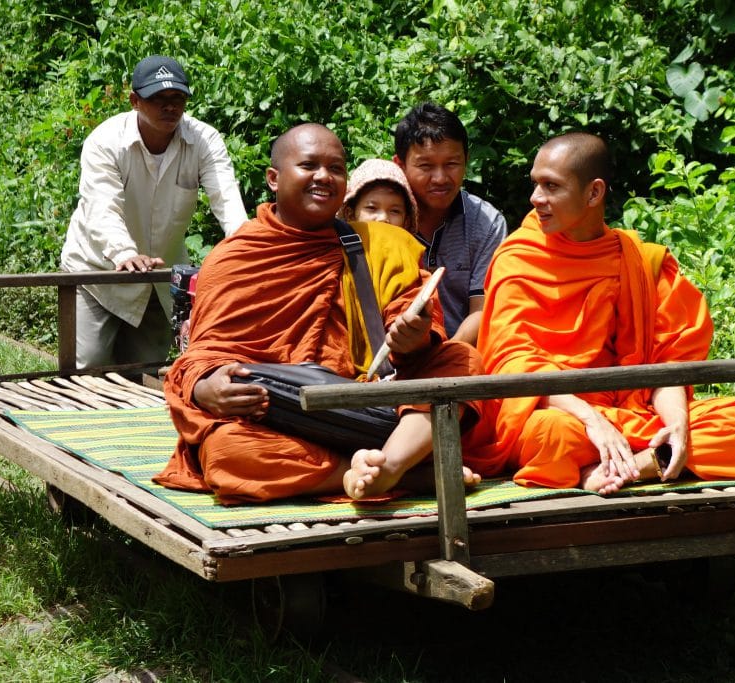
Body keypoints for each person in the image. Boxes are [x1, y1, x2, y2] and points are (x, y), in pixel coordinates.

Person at [153, 123, 483, 505]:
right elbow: (201, 354)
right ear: (274, 178)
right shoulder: (234, 255)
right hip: (279, 417)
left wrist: (415, 336)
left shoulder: (380, 244)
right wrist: (206, 388)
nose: (325, 177)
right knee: (227, 452)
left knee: (461, 359)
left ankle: (390, 466)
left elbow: (415, 330)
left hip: (368, 407)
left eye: (336, 168)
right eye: (309, 166)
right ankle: (390, 472)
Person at [463, 132, 735, 494]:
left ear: (594, 193)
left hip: (632, 413)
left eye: (551, 186)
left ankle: (630, 465)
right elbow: (514, 363)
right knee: (550, 434)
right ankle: (642, 461)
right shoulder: (519, 258)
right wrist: (591, 420)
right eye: (535, 184)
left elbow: (667, 368)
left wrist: (677, 424)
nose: (535, 198)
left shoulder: (639, 261)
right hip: (559, 413)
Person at [61, 55, 248, 369]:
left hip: (160, 276)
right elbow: (101, 206)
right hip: (97, 272)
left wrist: (248, 247)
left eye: (177, 98)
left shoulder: (204, 140)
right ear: (135, 100)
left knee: (147, 372)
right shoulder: (106, 142)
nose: (170, 107)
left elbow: (226, 198)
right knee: (86, 368)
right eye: (158, 99)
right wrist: (123, 252)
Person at [393, 103, 506, 345]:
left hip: (460, 355)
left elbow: (482, 311)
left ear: (466, 159)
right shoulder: (383, 218)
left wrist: (444, 360)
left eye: (452, 164)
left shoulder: (487, 223)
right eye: (426, 166)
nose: (441, 178)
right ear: (400, 165)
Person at [337, 158, 418, 231]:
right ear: (350, 215)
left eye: (395, 211)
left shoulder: (409, 247)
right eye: (371, 208)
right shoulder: (340, 246)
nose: (383, 218)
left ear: (406, 222)